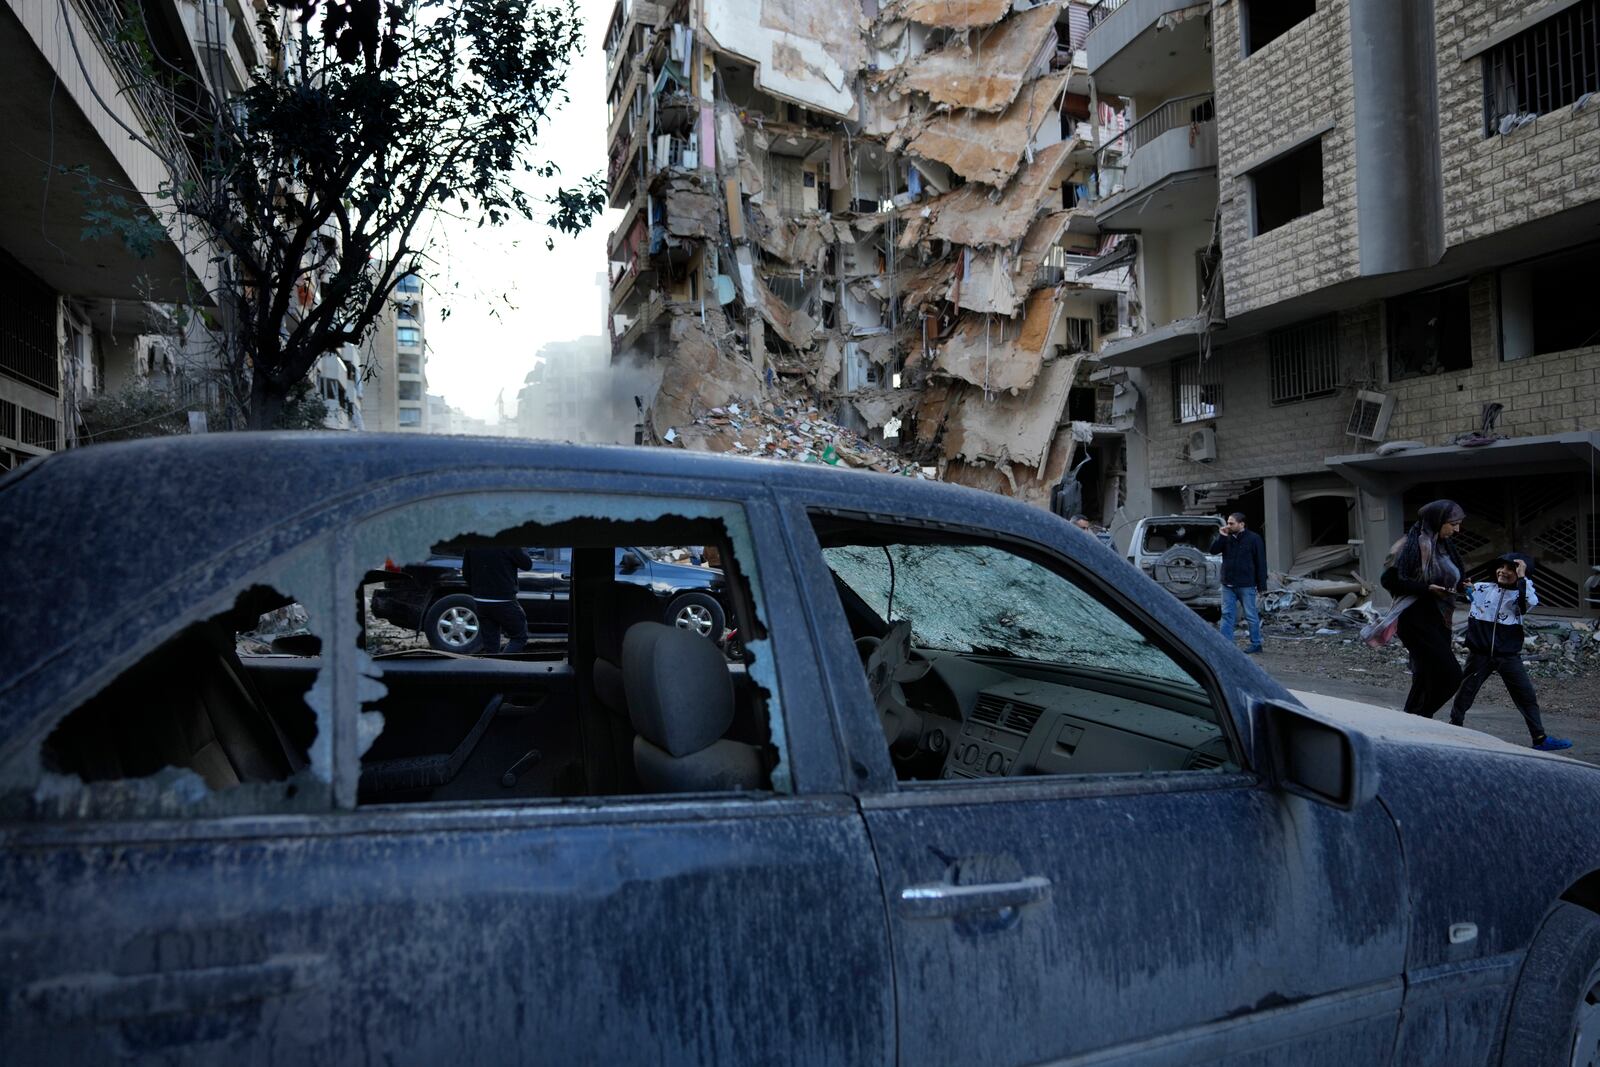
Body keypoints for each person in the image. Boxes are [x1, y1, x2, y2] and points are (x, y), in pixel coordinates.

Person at [1450, 553, 1572, 750]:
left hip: (1507, 656)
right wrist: (1461, 585)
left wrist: (1523, 576)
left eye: (1510, 569)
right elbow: (1458, 590)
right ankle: (1454, 728)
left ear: (1521, 574)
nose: (1503, 572)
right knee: (1466, 692)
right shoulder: (1482, 588)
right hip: (1480, 654)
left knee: (1526, 695)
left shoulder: (1523, 595)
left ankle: (1539, 739)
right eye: (1501, 567)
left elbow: (1526, 604)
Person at [1364, 500, 1466, 718]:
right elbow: (1389, 581)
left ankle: (1411, 719)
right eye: (1453, 524)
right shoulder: (1405, 547)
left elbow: (1452, 574)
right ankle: (1422, 716)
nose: (1457, 529)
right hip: (1415, 619)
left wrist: (1462, 584)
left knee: (1425, 675)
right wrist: (1427, 589)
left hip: (1441, 618)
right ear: (1437, 521)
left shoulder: (1443, 545)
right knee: (1451, 675)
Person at [1210, 512, 1267, 653]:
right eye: (1227, 522)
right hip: (1228, 584)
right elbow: (1213, 551)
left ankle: (1256, 644)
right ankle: (1226, 645)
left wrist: (1262, 586)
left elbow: (1261, 563)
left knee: (1251, 615)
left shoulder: (1254, 539)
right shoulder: (1226, 538)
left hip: (1246, 585)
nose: (1227, 526)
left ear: (1241, 524)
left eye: (1231, 523)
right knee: (1227, 614)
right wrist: (1221, 537)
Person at [461, 546, 532, 654]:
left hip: (481, 601)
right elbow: (527, 565)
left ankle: (493, 667)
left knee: (491, 645)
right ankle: (502, 666)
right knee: (520, 637)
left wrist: (478, 589)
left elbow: (466, 573)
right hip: (504, 600)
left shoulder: (473, 544)